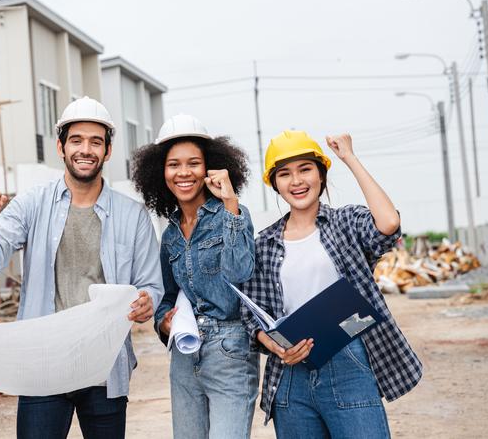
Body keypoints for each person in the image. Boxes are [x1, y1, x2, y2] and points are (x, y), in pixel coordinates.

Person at [0, 96, 163, 439]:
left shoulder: (133, 216)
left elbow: (151, 286)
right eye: (76, 140)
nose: (85, 149)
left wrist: (146, 301)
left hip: (104, 367)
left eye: (95, 142)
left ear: (108, 151)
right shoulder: (32, 203)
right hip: (44, 364)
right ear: (60, 147)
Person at [241, 130, 423, 438]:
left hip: (348, 360)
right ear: (275, 184)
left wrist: (349, 157)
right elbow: (251, 315)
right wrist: (275, 345)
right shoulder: (264, 243)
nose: (296, 181)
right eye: (284, 174)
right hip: (289, 373)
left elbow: (389, 224)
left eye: (305, 169)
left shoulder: (346, 223)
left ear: (321, 174)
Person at [129, 114, 259, 439]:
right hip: (184, 356)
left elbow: (241, 273)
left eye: (193, 163)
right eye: (174, 165)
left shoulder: (233, 215)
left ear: (210, 168)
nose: (183, 173)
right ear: (161, 172)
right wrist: (163, 323)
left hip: (229, 349)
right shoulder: (170, 235)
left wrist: (230, 203)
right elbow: (166, 296)